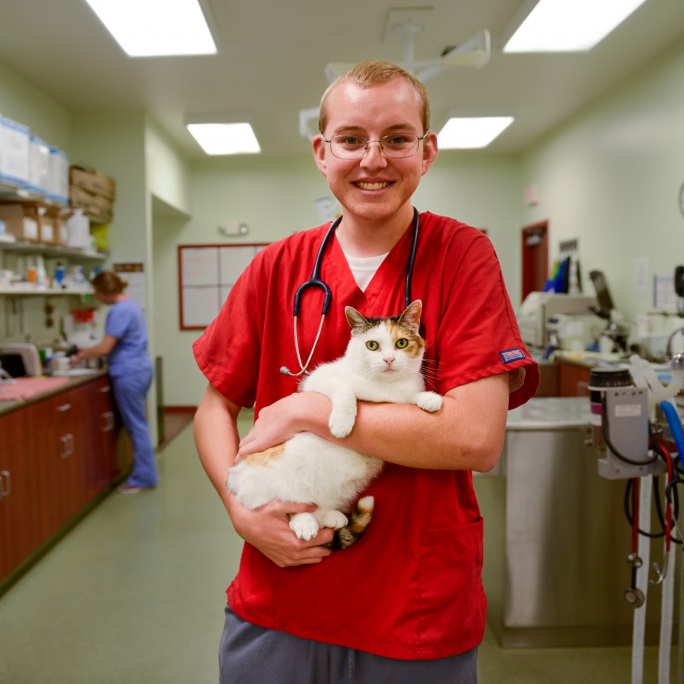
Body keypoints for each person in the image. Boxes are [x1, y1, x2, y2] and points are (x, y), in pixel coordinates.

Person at [192, 60, 539, 683]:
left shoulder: (462, 256)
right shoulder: (277, 266)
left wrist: (309, 411)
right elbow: (213, 409)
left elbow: (474, 439)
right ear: (322, 153)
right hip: (282, 586)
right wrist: (239, 510)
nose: (373, 159)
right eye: (351, 139)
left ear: (427, 152)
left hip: (413, 601)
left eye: (397, 138)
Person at [72, 271, 157, 493]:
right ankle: (143, 472)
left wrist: (82, 355)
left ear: (105, 292)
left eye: (98, 293)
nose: (97, 298)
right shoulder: (132, 305)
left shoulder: (119, 311)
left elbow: (106, 347)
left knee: (136, 425)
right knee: (138, 423)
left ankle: (144, 477)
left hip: (128, 371)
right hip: (141, 367)